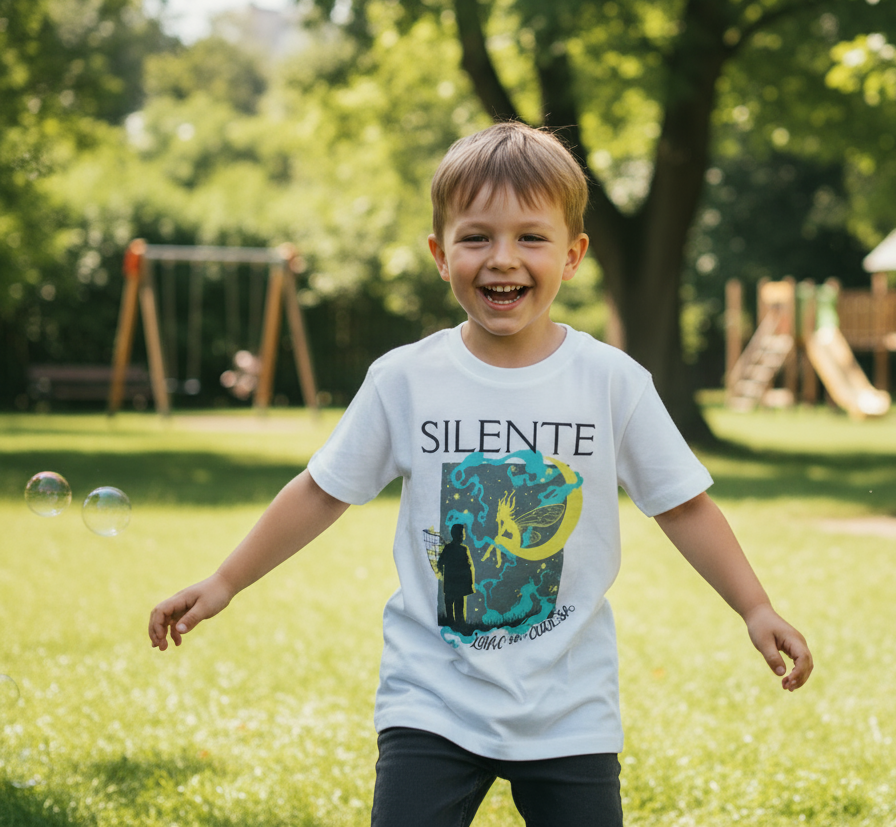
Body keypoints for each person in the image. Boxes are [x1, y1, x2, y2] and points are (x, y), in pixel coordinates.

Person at [149, 121, 813, 827]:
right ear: (440, 255)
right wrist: (224, 582)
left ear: (573, 255)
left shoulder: (611, 381)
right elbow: (321, 491)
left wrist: (755, 607)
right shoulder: (405, 380)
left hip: (569, 704)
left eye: (531, 237)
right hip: (432, 698)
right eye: (476, 237)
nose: (503, 259)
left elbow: (683, 505)